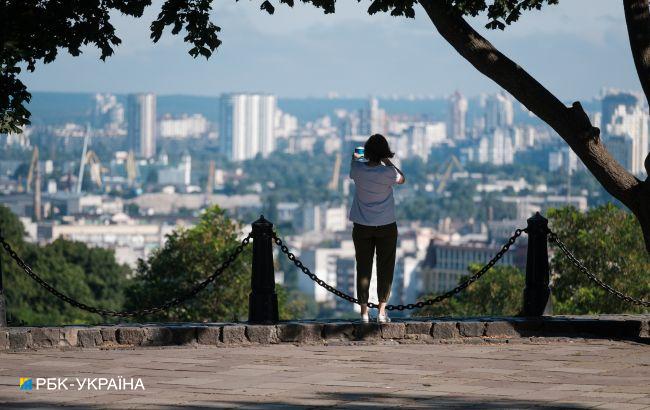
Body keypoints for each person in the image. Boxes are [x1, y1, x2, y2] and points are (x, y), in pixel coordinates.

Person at [348, 134, 406, 323]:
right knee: (385, 267)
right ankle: (381, 312)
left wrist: (356, 157)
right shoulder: (388, 173)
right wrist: (387, 160)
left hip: (362, 226)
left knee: (363, 267)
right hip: (386, 225)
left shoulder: (357, 170)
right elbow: (402, 178)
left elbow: (353, 166)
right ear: (383, 153)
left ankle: (364, 313)